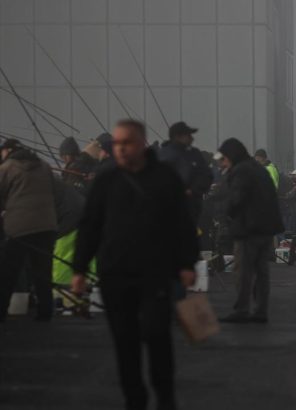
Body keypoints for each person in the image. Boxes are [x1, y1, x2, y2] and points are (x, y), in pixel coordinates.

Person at [71, 119, 199, 410]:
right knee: (124, 341)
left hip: (156, 272)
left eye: (126, 142)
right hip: (115, 273)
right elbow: (90, 225)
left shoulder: (165, 178)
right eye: (116, 143)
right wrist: (79, 268)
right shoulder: (106, 180)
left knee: (157, 335)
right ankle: (135, 398)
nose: (120, 149)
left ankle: (164, 395)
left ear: (141, 143)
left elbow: (181, 223)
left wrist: (187, 263)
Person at [217, 139, 284, 324]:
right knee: (262, 271)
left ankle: (242, 309)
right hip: (266, 229)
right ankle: (261, 310)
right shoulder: (258, 169)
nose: (223, 163)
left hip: (249, 229)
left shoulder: (241, 171)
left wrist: (226, 212)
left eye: (224, 158)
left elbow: (236, 198)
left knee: (243, 271)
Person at [0, 139, 57, 322]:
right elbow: (53, 191)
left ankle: (2, 311)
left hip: (19, 229)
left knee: (10, 272)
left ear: (8, 151)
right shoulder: (44, 166)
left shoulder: (7, 168)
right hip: (47, 226)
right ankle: (45, 312)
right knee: (42, 272)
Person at [158, 121, 214, 224]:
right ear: (178, 136)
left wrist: (193, 190)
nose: (192, 138)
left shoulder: (194, 154)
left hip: (191, 209)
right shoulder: (163, 155)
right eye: (188, 135)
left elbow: (207, 175)